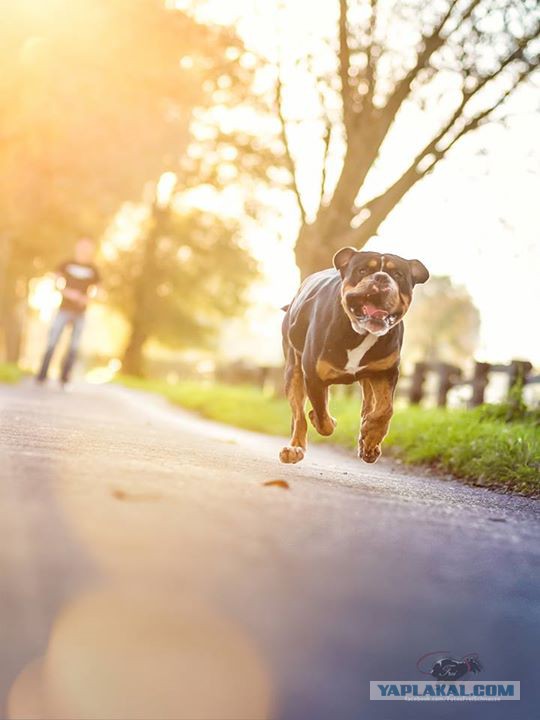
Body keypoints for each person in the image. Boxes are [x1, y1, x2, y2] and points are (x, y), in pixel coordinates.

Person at [36, 238, 100, 386]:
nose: (84, 250)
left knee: (74, 346)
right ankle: (42, 375)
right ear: (77, 247)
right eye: (82, 247)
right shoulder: (67, 264)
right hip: (64, 309)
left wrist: (88, 298)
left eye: (88, 247)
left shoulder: (93, 269)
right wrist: (66, 292)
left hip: (81, 312)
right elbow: (55, 281)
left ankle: (64, 377)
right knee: (53, 340)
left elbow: (99, 290)